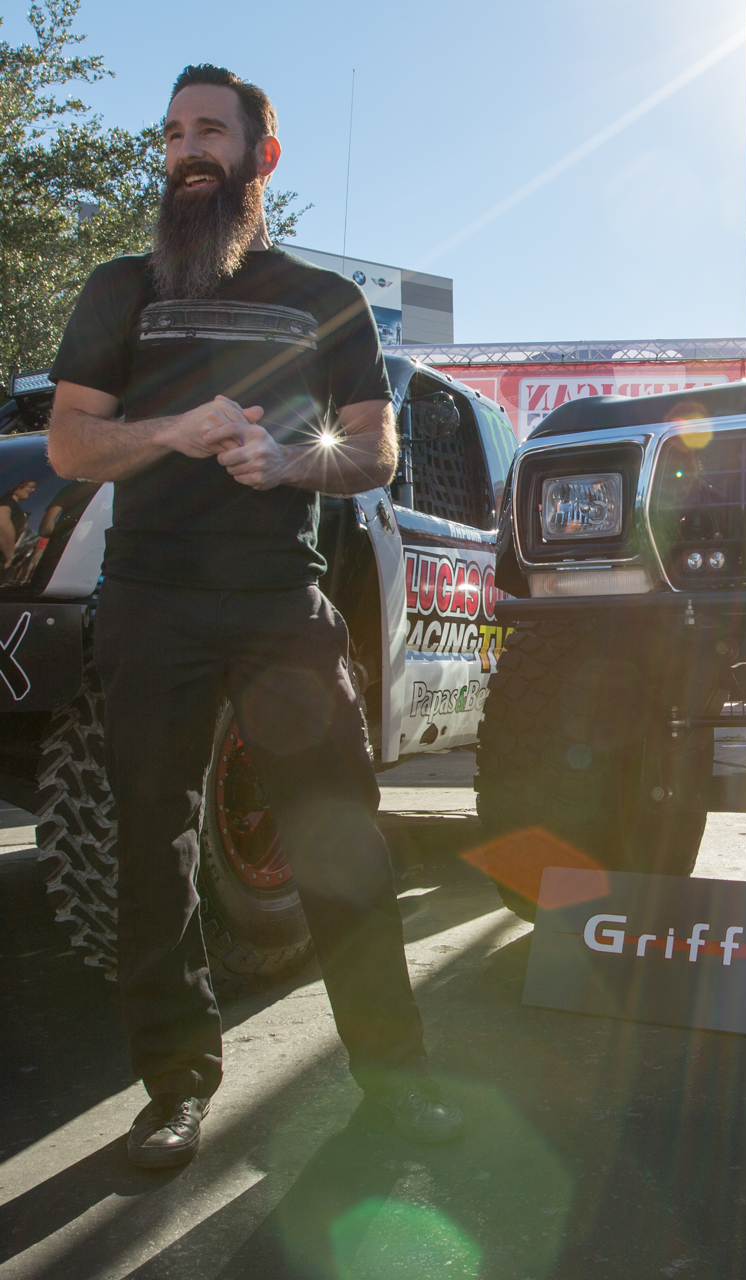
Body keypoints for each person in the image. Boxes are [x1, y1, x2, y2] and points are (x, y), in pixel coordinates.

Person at [47, 64, 463, 1170]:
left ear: (260, 157)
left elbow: (374, 447)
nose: (186, 149)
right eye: (174, 131)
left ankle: (395, 1073)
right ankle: (174, 1087)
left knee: (341, 844)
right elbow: (71, 443)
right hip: (149, 600)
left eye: (210, 132)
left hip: (282, 601)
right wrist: (173, 431)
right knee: (152, 845)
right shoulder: (116, 288)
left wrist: (289, 457)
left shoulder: (325, 301)